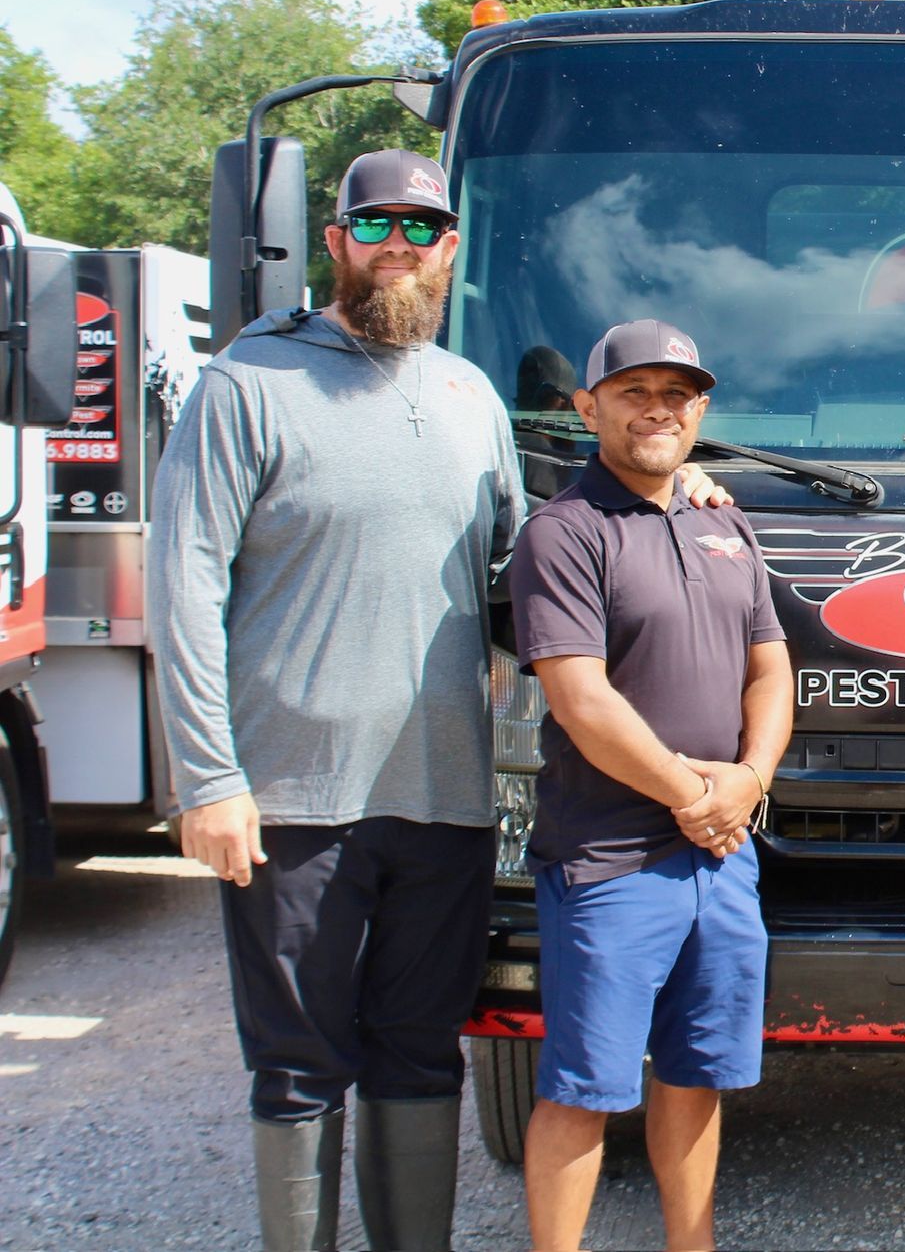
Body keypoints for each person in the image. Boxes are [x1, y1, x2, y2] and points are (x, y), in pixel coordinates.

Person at [150, 149, 520, 1252]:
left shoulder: (469, 396)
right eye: (377, 226)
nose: (398, 246)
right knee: (301, 1063)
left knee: (417, 1049)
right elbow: (183, 586)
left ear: (451, 248)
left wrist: (665, 499)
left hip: (446, 798)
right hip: (290, 802)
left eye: (422, 227)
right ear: (336, 242)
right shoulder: (245, 385)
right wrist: (208, 781)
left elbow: (517, 582)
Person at [509, 319, 793, 1252]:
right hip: (610, 861)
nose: (658, 409)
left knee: (696, 1073)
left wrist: (749, 781)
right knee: (582, 1088)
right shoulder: (562, 532)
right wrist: (696, 793)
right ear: (589, 406)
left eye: (678, 393)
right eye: (634, 392)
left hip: (721, 857)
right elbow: (580, 697)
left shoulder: (723, 519)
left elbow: (771, 671)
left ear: (701, 408)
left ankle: (692, 1243)